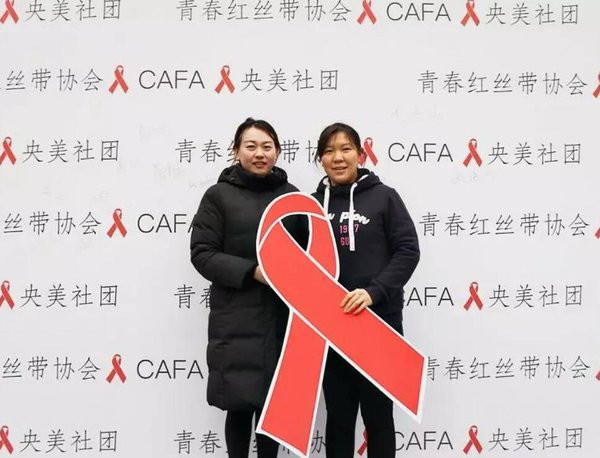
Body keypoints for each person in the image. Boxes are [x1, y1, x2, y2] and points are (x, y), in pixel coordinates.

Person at [190, 118, 304, 458]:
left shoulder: (292, 197)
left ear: (277, 152)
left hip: (281, 319)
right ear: (236, 151)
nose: (259, 154)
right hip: (235, 319)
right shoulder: (218, 196)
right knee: (238, 406)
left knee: (273, 411)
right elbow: (202, 254)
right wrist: (252, 271)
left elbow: (310, 255)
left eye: (267, 147)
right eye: (251, 146)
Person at [312, 122, 420, 458]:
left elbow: (408, 251)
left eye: (346, 149)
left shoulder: (385, 197)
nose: (338, 158)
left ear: (360, 154)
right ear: (320, 159)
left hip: (379, 327)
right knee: (339, 420)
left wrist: (374, 292)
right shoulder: (311, 206)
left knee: (379, 419)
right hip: (332, 331)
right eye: (329, 151)